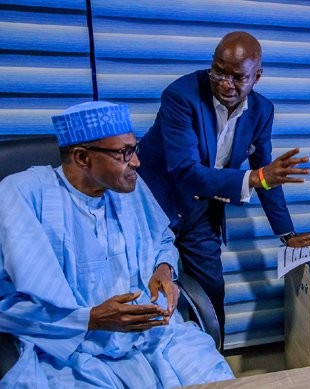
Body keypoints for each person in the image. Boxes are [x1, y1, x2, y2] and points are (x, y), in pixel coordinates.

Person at [0, 101, 234, 387]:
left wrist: (163, 270)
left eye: (134, 149)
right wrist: (93, 319)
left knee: (215, 377)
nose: (136, 162)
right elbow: (8, 304)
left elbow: (162, 240)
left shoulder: (127, 187)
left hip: (153, 335)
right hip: (70, 349)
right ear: (83, 157)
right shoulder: (22, 194)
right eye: (125, 152)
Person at [137, 31, 310, 338]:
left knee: (210, 294)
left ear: (256, 76)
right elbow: (185, 170)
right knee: (149, 294)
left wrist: (287, 234)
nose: (225, 83)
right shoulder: (180, 96)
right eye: (219, 71)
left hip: (198, 213)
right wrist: (257, 177)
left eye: (237, 77)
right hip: (153, 209)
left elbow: (267, 174)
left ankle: (210, 366)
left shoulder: (262, 111)